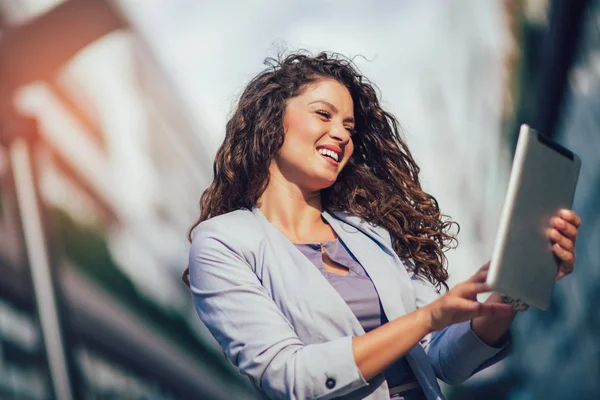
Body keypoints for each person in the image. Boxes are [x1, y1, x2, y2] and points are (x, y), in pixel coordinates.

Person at [183, 52, 581, 400]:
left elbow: (445, 362)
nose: (341, 134)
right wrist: (429, 317)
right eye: (323, 114)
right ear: (272, 121)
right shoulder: (222, 242)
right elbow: (288, 376)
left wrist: (512, 289)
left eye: (350, 127)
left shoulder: (369, 234)